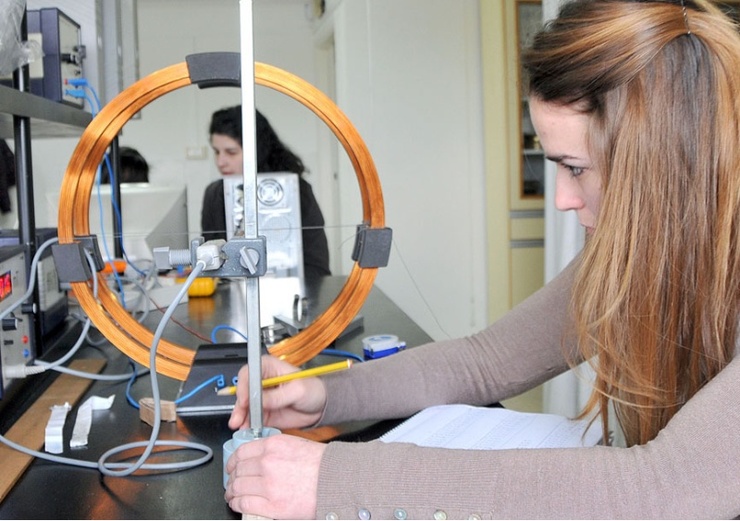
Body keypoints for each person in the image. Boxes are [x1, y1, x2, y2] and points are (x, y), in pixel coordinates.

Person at [223, 1, 740, 518]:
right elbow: (485, 361)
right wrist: (324, 395)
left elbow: (665, 490)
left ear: (662, 160)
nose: (561, 197)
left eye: (576, 168)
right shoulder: (633, 250)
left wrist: (335, 480)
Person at [200, 106, 331, 279]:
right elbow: (211, 264)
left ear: (256, 151)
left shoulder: (295, 191)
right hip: (234, 299)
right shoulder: (214, 195)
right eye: (216, 152)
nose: (220, 162)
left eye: (231, 152)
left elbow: (317, 267)